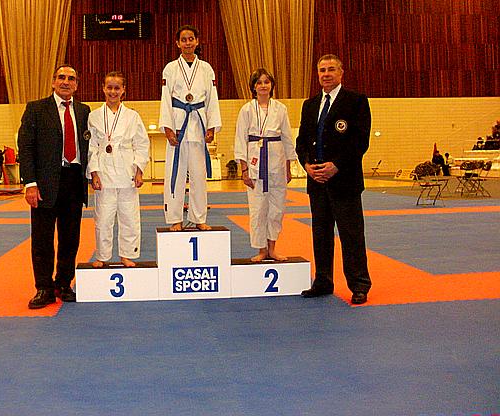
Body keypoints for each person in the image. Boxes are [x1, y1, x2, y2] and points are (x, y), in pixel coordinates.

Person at [295, 54, 372, 305]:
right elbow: (301, 142)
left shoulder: (356, 101)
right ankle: (323, 280)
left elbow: (360, 142)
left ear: (341, 73)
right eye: (322, 70)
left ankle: (359, 284)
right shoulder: (310, 105)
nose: (326, 74)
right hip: (317, 181)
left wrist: (336, 165)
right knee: (321, 234)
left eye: (331, 69)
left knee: (351, 235)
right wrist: (307, 165)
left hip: (345, 180)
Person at [17, 64, 90, 309]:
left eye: (71, 78)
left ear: (76, 85)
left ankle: (63, 283)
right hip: (45, 183)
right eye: (61, 77)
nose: (66, 82)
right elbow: (26, 148)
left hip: (74, 180)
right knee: (42, 239)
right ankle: (44, 288)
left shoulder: (84, 111)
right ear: (53, 82)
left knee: (70, 238)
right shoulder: (36, 109)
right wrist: (30, 183)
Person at [159, 24, 221, 231]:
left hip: (198, 125)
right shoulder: (170, 68)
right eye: (183, 40)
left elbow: (212, 99)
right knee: (175, 174)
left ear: (197, 41)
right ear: (178, 43)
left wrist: (211, 126)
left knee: (198, 177)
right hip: (178, 125)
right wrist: (167, 127)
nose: (187, 43)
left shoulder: (206, 68)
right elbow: (165, 99)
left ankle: (199, 217)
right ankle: (175, 218)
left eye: (191, 39)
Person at [87, 72, 149, 268]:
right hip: (104, 172)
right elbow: (92, 147)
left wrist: (139, 170)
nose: (113, 91)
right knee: (103, 219)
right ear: (103, 89)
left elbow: (142, 144)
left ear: (123, 90)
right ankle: (102, 256)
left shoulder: (132, 116)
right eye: (109, 87)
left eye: (117, 88)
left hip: (127, 171)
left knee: (129, 217)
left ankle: (127, 254)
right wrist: (94, 173)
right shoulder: (94, 116)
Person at [234, 68, 297, 262]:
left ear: (272, 85)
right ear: (253, 86)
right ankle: (261, 249)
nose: (263, 85)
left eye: (266, 82)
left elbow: (287, 138)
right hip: (255, 162)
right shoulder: (246, 109)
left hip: (276, 160)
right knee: (258, 209)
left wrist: (288, 168)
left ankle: (272, 248)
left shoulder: (280, 109)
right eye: (259, 82)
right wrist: (244, 170)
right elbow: (240, 140)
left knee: (277, 208)